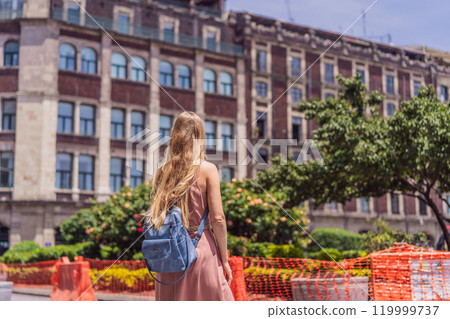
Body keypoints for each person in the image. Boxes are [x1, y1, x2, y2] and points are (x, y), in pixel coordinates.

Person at [147, 111, 234, 301]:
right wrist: (224, 259)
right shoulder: (208, 169)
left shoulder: (162, 171)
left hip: (169, 254)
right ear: (200, 137)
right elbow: (218, 218)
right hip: (200, 249)